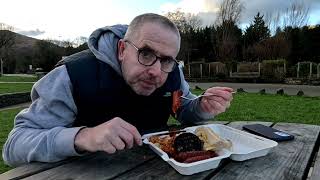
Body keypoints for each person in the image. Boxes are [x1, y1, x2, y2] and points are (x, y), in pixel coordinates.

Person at [2, 13, 233, 167]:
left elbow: (183, 110)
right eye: (146, 53)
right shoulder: (72, 75)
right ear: (122, 49)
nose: (156, 71)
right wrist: (83, 136)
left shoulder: (172, 72)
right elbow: (14, 146)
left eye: (166, 60)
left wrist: (201, 107)